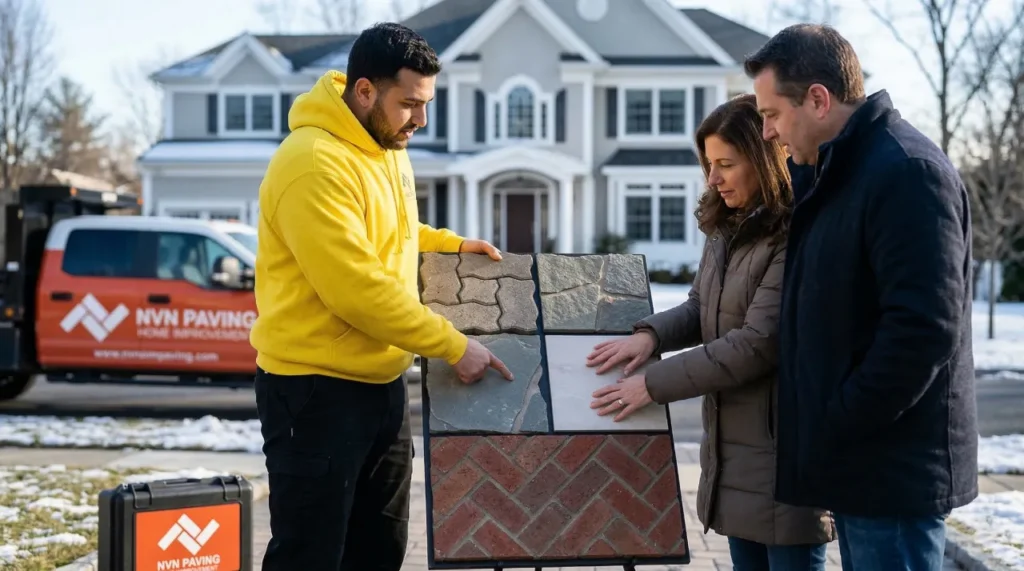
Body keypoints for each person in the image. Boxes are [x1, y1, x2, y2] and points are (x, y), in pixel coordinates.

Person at [248, 22, 513, 571]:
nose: (420, 119)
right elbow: (355, 289)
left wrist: (451, 244)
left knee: (379, 551)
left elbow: (395, 229)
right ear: (364, 90)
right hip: (313, 391)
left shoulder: (383, 145)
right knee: (310, 554)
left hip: (381, 385)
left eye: (426, 104)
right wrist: (452, 346)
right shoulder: (312, 162)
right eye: (409, 104)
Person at [744, 24, 978, 570]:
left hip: (891, 474)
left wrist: (839, 420)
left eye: (772, 114)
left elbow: (923, 330)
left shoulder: (906, 172)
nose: (769, 134)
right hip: (860, 466)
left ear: (818, 100)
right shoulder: (840, 175)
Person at [587, 94, 835, 571]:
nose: (713, 178)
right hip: (736, 461)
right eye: (707, 164)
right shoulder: (727, 229)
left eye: (726, 164)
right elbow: (702, 307)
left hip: (785, 459)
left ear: (763, 160)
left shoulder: (795, 235)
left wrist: (651, 386)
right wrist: (651, 336)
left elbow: (756, 344)